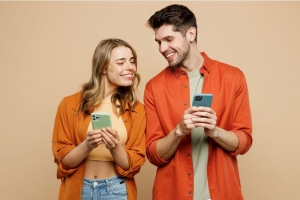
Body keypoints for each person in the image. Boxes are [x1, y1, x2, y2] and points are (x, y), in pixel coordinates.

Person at [144, 4, 252, 200]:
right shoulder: (154, 87)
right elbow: (153, 154)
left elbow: (244, 141)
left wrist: (215, 131)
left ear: (191, 34)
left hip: (222, 193)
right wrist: (179, 131)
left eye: (168, 39)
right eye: (158, 41)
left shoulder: (233, 77)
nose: (162, 48)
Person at [52, 38, 146, 200]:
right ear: (103, 67)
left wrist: (115, 147)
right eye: (121, 62)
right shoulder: (70, 104)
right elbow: (64, 161)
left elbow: (133, 165)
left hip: (117, 191)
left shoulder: (137, 109)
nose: (130, 67)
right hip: (79, 190)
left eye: (132, 61)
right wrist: (88, 145)